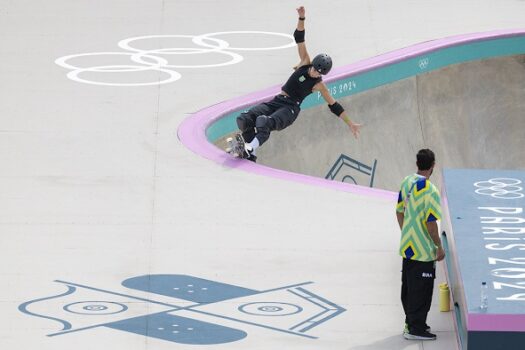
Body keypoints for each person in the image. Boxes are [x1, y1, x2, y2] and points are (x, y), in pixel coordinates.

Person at [233, 6, 362, 161]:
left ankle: (250, 148)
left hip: (290, 110)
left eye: (318, 73)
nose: (315, 72)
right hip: (277, 101)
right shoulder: (305, 62)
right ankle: (249, 152)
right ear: (313, 63)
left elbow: (334, 105)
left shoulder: (319, 85)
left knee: (263, 122)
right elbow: (299, 38)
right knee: (245, 119)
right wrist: (302, 17)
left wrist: (350, 123)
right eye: (315, 69)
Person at [396, 149, 444, 341]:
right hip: (423, 251)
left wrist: (407, 232)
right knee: (421, 291)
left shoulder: (407, 182)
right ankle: (415, 329)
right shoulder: (431, 191)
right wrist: (439, 247)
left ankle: (413, 323)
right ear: (432, 166)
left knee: (408, 288)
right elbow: (431, 225)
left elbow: (399, 212)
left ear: (417, 163)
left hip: (408, 247)